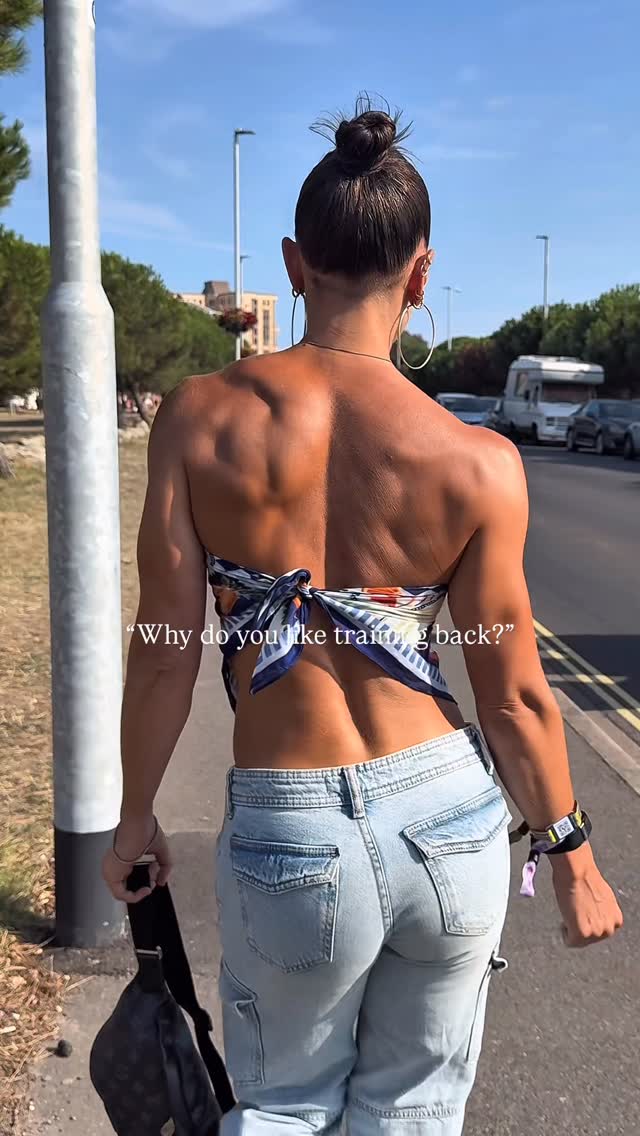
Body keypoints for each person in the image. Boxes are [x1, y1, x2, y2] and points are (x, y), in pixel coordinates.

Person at [103, 99, 622, 1135]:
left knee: (282, 1107)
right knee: (413, 1112)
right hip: (447, 819)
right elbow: (512, 692)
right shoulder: (480, 463)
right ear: (420, 276)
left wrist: (135, 818)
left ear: (294, 265)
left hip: (289, 825)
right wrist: (570, 855)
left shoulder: (199, 417)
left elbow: (163, 653)